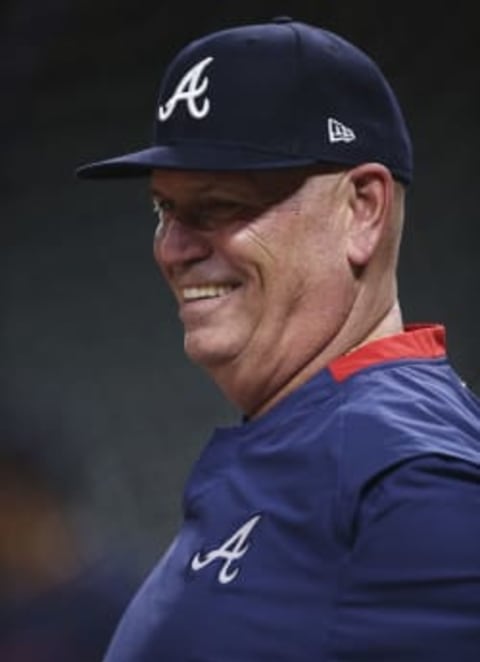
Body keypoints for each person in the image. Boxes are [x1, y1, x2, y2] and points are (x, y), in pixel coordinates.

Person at [76, 17, 480, 661]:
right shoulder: (323, 431)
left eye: (218, 204)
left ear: (362, 210)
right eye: (164, 209)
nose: (172, 248)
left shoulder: (412, 477)